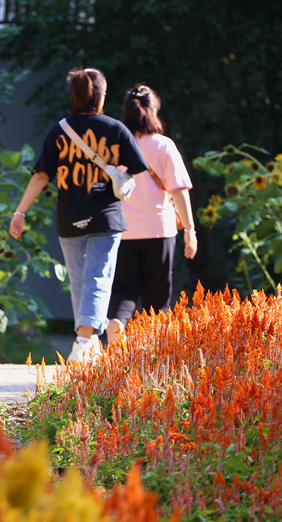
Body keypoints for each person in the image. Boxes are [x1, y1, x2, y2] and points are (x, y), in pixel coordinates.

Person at [10, 67, 148, 364]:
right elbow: (138, 167)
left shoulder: (60, 130)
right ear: (99, 97)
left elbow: (41, 175)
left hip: (69, 218)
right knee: (97, 277)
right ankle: (84, 341)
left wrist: (20, 211)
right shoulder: (114, 129)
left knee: (80, 282)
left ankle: (89, 344)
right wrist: (116, 173)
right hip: (105, 217)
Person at [105, 85, 198, 345]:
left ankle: (118, 323)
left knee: (123, 291)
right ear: (154, 111)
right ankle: (153, 352)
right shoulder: (163, 145)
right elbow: (179, 191)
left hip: (123, 230)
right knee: (157, 298)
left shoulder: (115, 145)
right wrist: (190, 230)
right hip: (159, 231)